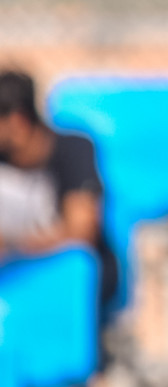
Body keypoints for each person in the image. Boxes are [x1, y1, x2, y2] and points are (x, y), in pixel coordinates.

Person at [0, 70, 117, 311]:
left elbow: (81, 231)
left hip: (70, 282)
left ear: (17, 123)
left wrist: (14, 247)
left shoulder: (73, 149)